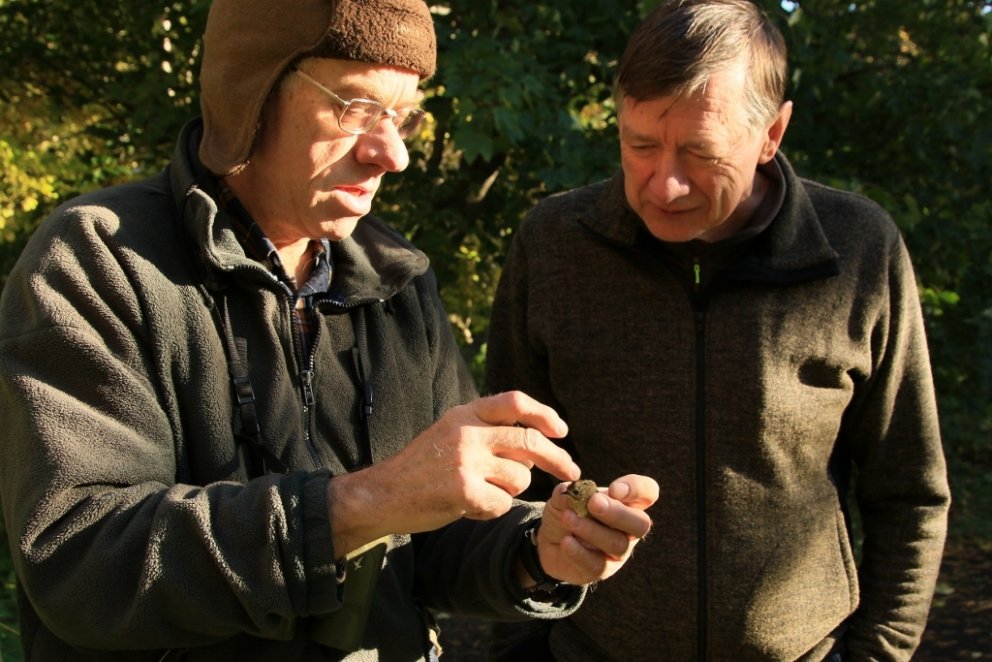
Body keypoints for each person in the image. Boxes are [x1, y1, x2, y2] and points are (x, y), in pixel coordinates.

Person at [0, 1, 659, 660]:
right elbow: (82, 564)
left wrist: (536, 549)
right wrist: (365, 502)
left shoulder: (397, 282)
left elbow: (429, 550)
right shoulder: (101, 262)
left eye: (403, 118)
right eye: (357, 110)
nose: (392, 154)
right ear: (249, 95)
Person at [485, 0, 950, 660]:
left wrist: (878, 653)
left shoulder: (856, 250)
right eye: (639, 144)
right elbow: (512, 477)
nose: (665, 185)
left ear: (773, 133)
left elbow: (910, 493)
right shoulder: (554, 245)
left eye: (702, 152)